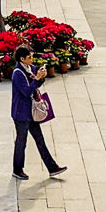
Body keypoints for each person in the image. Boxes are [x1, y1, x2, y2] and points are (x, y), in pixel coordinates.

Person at [8, 49, 65, 180]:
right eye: (29, 57)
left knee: (40, 140)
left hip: (32, 112)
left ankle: (52, 167)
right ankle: (17, 169)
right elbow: (26, 92)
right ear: (22, 59)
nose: (31, 59)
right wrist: (37, 79)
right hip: (21, 113)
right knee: (21, 142)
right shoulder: (18, 74)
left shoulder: (30, 68)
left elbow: (37, 84)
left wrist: (41, 77)